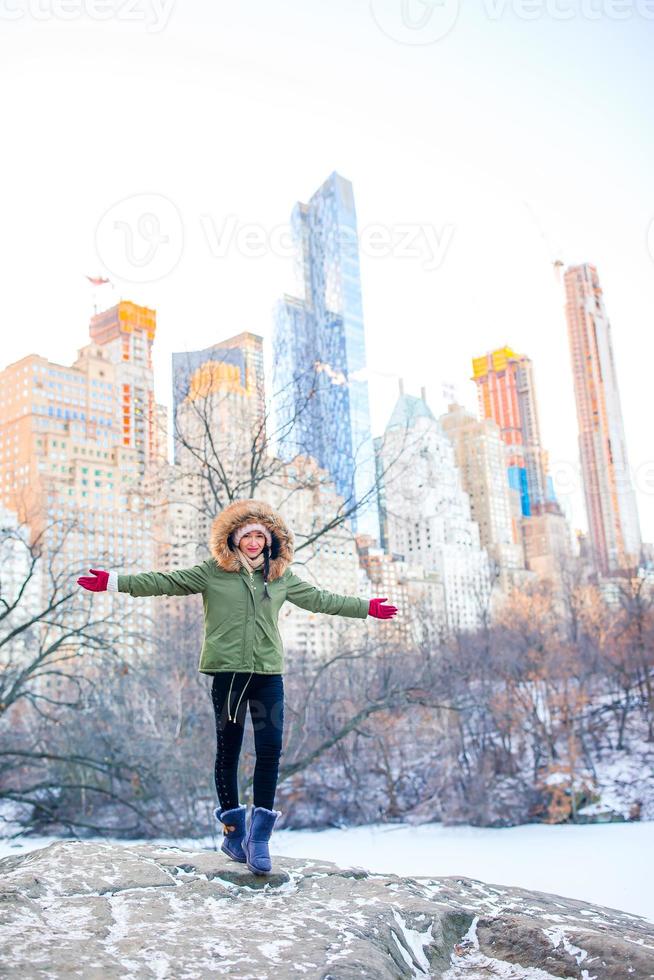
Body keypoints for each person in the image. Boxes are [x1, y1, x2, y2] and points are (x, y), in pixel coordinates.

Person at [78, 498, 398, 875]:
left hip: (267, 675)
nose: (253, 542)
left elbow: (322, 599)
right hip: (228, 675)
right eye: (246, 535)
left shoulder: (279, 578)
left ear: (270, 540)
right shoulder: (213, 573)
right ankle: (233, 831)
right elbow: (165, 581)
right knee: (229, 750)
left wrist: (367, 608)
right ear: (233, 538)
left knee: (270, 749)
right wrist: (115, 582)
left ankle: (259, 838)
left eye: (260, 536)